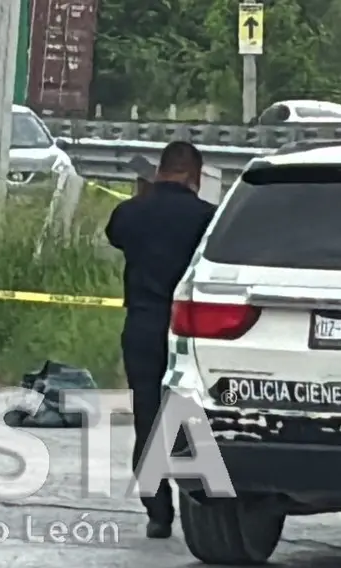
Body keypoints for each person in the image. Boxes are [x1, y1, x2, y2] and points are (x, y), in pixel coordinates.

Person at [104, 141, 217, 539]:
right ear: (196, 176)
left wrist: (145, 196)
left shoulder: (130, 214)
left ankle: (158, 513)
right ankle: (206, 507)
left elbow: (115, 235)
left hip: (142, 327)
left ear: (160, 171)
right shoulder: (207, 219)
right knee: (196, 420)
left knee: (147, 420)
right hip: (188, 332)